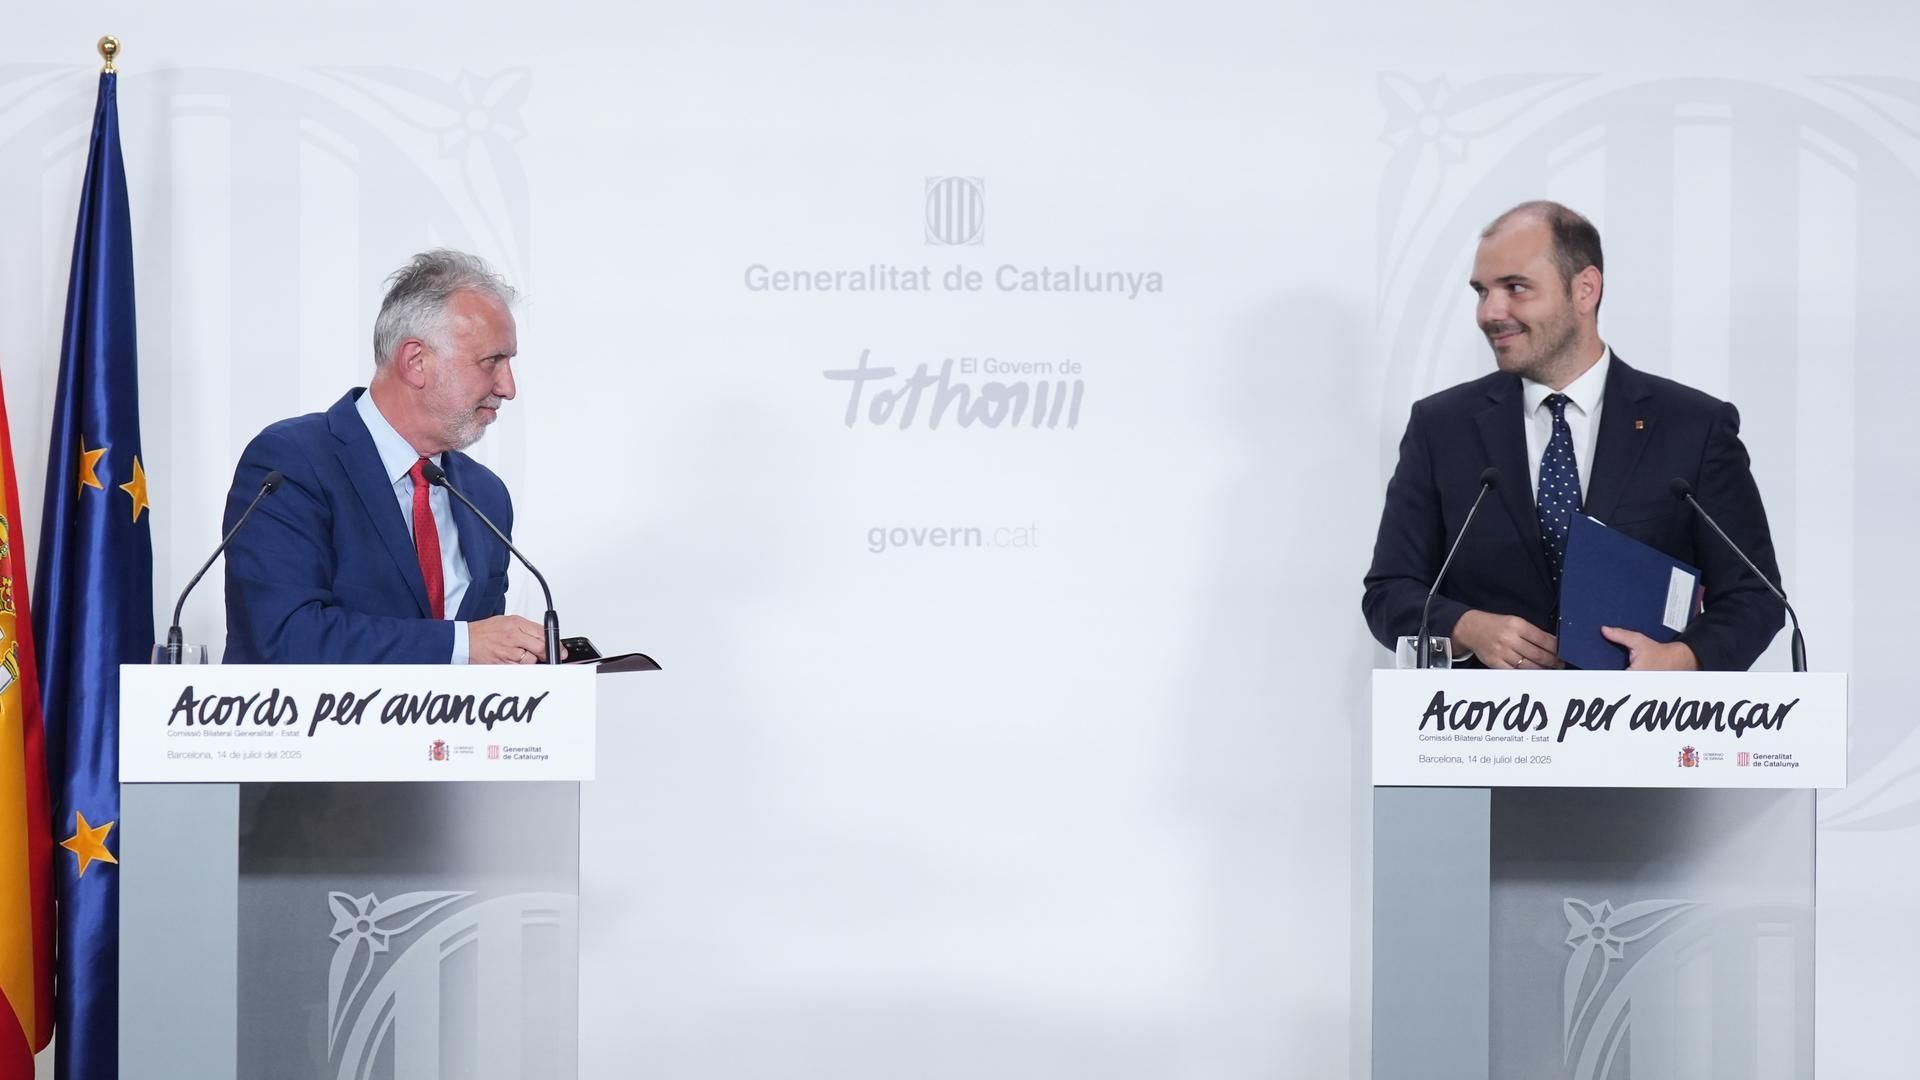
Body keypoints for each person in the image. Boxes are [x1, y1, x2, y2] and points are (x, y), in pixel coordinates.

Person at [1362, 201, 1785, 671]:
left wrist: (1680, 659)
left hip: (1642, 714)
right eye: (1482, 291)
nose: (1489, 312)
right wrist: (1465, 627)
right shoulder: (1441, 427)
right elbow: (1389, 592)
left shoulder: (1693, 426)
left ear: (1585, 289)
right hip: (1487, 715)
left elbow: (1755, 597)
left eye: (1515, 287)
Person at [222, 249, 551, 664]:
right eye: (492, 362)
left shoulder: (485, 496)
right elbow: (284, 636)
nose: (508, 387)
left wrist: (527, 660)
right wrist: (461, 643)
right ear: (416, 362)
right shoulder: (291, 462)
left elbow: (480, 663)